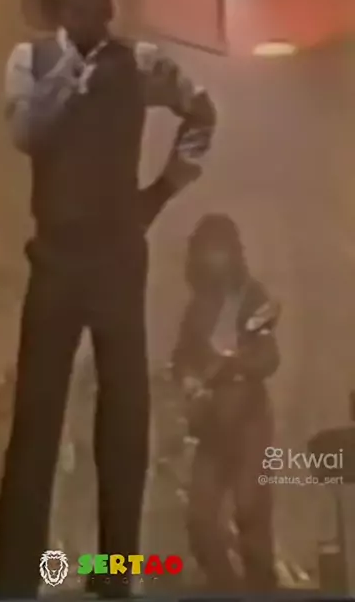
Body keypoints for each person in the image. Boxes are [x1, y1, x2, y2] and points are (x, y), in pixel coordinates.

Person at [0, 0, 217, 599]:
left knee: (125, 419)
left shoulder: (142, 62)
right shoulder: (29, 61)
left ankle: (116, 577)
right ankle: (11, 581)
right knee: (37, 416)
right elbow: (27, 134)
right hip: (56, 254)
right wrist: (72, 75)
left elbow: (202, 112)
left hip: (117, 256)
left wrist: (161, 191)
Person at [171, 214, 280, 593]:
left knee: (251, 510)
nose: (213, 257)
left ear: (233, 252)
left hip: (249, 418)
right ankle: (226, 590)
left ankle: (261, 590)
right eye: (206, 249)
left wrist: (232, 365)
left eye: (219, 249)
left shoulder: (253, 296)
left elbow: (268, 357)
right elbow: (181, 356)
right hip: (210, 423)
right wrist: (188, 377)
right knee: (200, 519)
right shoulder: (198, 305)